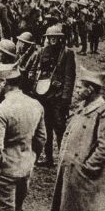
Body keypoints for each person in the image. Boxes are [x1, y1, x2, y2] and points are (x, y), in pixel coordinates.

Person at [48, 67, 105, 211]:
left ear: (90, 89)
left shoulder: (103, 114)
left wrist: (87, 168)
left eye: (79, 87)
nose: (76, 91)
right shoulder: (82, 108)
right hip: (72, 177)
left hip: (86, 180)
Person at [0, 60, 46, 211]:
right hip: (25, 166)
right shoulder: (36, 104)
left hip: (6, 169)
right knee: (18, 208)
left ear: (5, 82)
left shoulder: (2, 109)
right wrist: (31, 157)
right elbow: (41, 138)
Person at [35, 25, 76, 167]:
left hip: (59, 97)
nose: (52, 39)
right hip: (45, 95)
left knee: (60, 128)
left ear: (60, 38)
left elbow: (69, 77)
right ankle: (48, 158)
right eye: (50, 37)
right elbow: (39, 71)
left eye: (55, 37)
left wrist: (66, 98)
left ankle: (63, 159)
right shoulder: (43, 51)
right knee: (46, 127)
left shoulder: (67, 53)